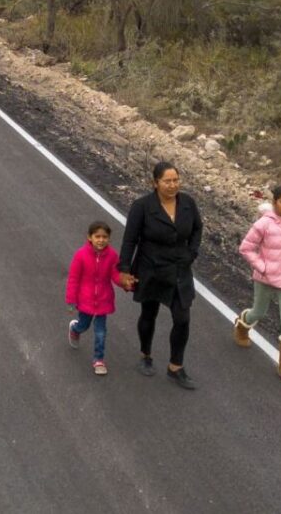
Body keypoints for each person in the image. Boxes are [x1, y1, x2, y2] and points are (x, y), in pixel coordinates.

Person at [119, 161, 203, 390]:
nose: (173, 185)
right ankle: (145, 354)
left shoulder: (187, 203)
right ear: (155, 183)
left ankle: (176, 366)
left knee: (182, 318)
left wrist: (191, 253)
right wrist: (124, 270)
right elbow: (130, 240)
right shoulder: (142, 206)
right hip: (151, 269)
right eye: (167, 181)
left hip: (179, 270)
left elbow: (197, 229)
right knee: (149, 314)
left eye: (176, 180)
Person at [234, 185, 281, 384]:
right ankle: (243, 324)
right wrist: (262, 267)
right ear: (275, 202)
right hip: (265, 278)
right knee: (259, 312)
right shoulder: (263, 224)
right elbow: (246, 247)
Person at [66, 221, 124, 375]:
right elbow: (73, 278)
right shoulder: (81, 255)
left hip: (103, 301)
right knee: (83, 326)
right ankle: (74, 329)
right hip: (85, 300)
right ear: (89, 237)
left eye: (104, 237)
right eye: (97, 236)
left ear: (109, 238)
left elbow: (115, 275)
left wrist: (125, 283)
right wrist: (71, 299)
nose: (101, 240)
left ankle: (98, 359)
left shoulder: (112, 256)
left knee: (100, 332)